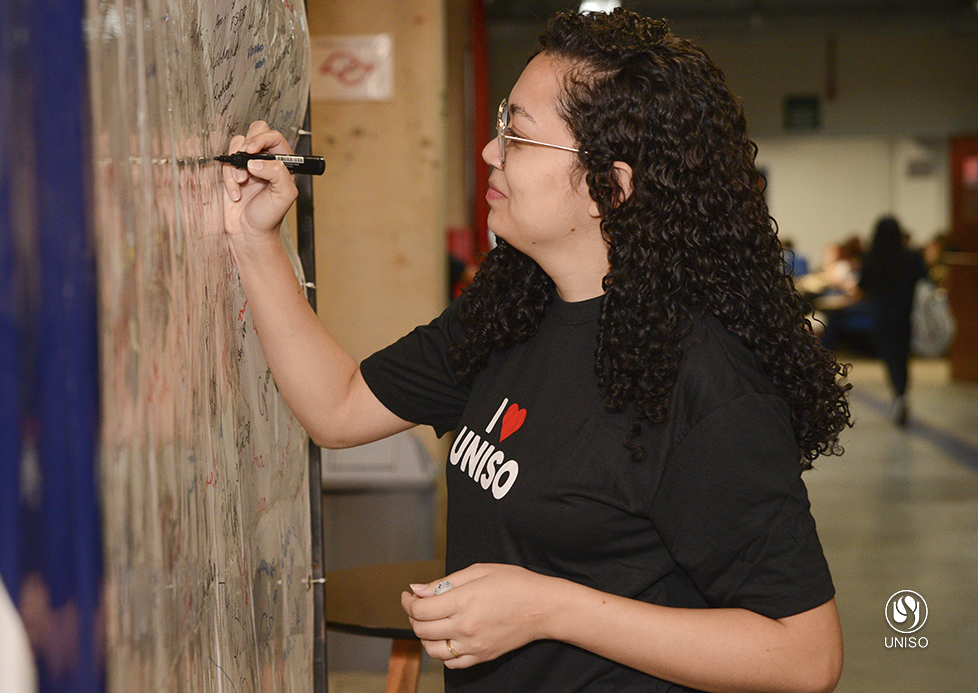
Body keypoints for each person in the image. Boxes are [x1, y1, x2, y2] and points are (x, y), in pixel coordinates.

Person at [222, 9, 850, 693]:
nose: (490, 152)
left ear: (611, 185)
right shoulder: (510, 308)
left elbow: (805, 657)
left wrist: (550, 609)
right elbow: (338, 408)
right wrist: (256, 238)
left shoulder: (707, 385)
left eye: (517, 136)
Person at [858, 215, 928, 427]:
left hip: (882, 314)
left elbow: (864, 285)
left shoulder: (871, 257)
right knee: (903, 356)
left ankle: (898, 394)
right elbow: (924, 279)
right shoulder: (911, 256)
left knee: (889, 356)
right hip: (906, 313)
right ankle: (902, 394)